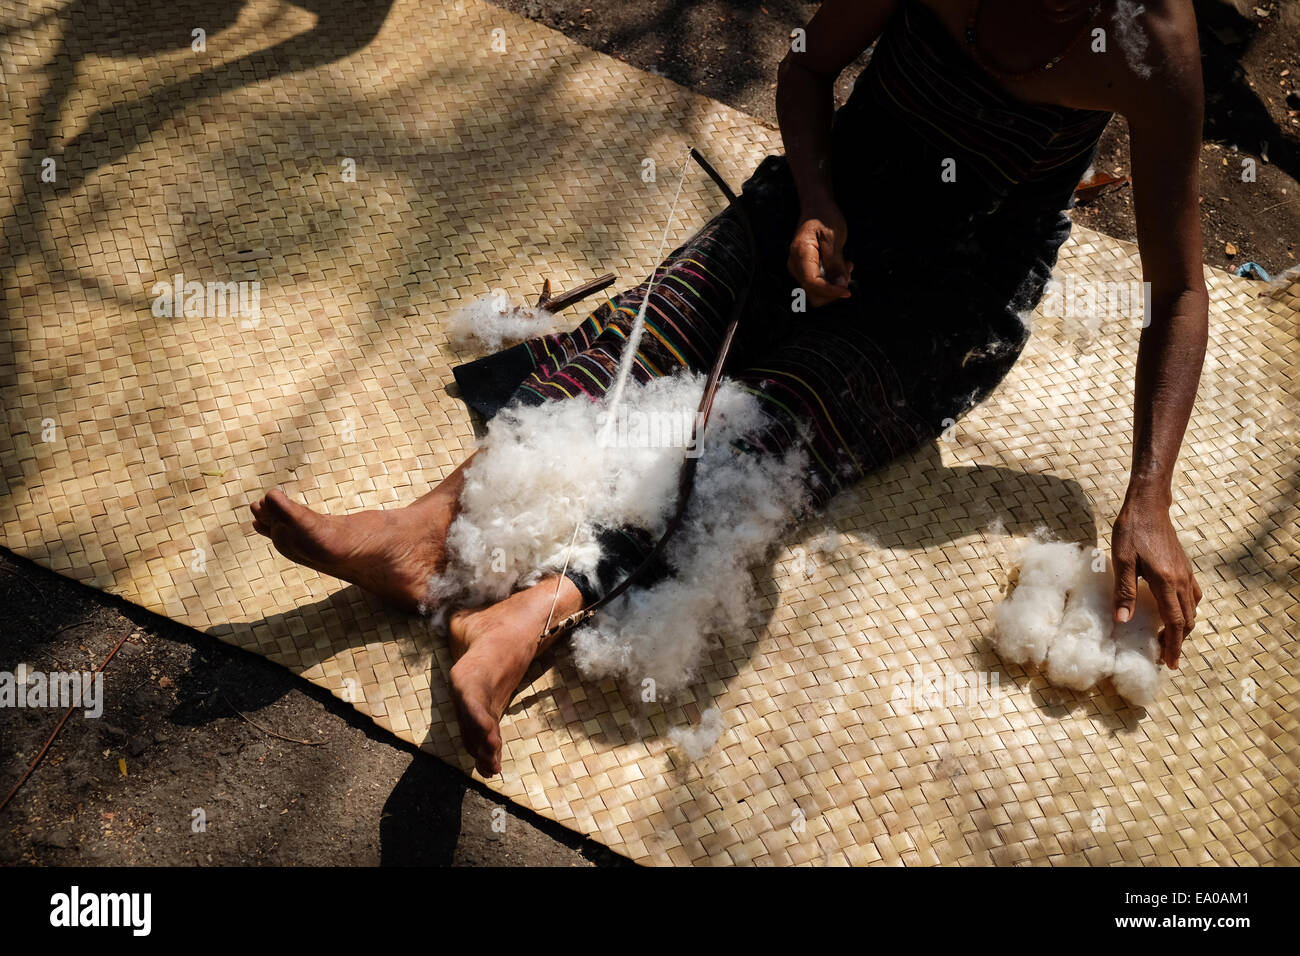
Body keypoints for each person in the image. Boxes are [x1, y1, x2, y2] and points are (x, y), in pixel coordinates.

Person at [251, 0, 1207, 777]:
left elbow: (1181, 290)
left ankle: (528, 615)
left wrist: (1149, 495)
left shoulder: (1149, 46)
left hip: (941, 307)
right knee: (654, 332)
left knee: (756, 435)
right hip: (823, 199)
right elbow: (802, 63)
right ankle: (426, 533)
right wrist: (820, 199)